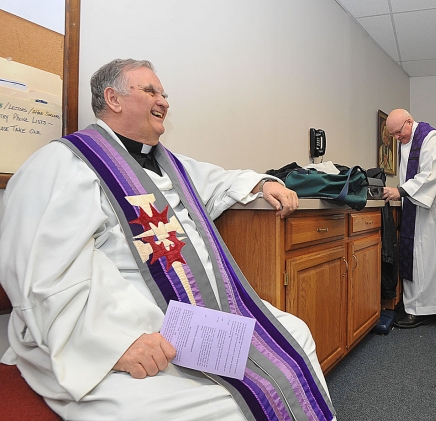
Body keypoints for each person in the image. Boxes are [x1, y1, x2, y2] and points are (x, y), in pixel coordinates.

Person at [0, 59, 335, 421]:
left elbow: (219, 181)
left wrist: (264, 183)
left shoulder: (170, 163)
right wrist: (115, 345)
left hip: (189, 317)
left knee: (294, 333)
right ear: (113, 99)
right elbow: (38, 273)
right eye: (151, 91)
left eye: (164, 93)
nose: (164, 101)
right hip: (108, 331)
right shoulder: (62, 163)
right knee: (213, 405)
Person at [382, 109, 436, 328]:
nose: (396, 138)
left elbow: (430, 176)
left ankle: (421, 310)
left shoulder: (431, 139)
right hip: (420, 208)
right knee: (426, 260)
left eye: (397, 132)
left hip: (433, 212)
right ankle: (434, 308)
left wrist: (400, 191)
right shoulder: (408, 142)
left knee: (429, 260)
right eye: (392, 135)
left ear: (409, 122)